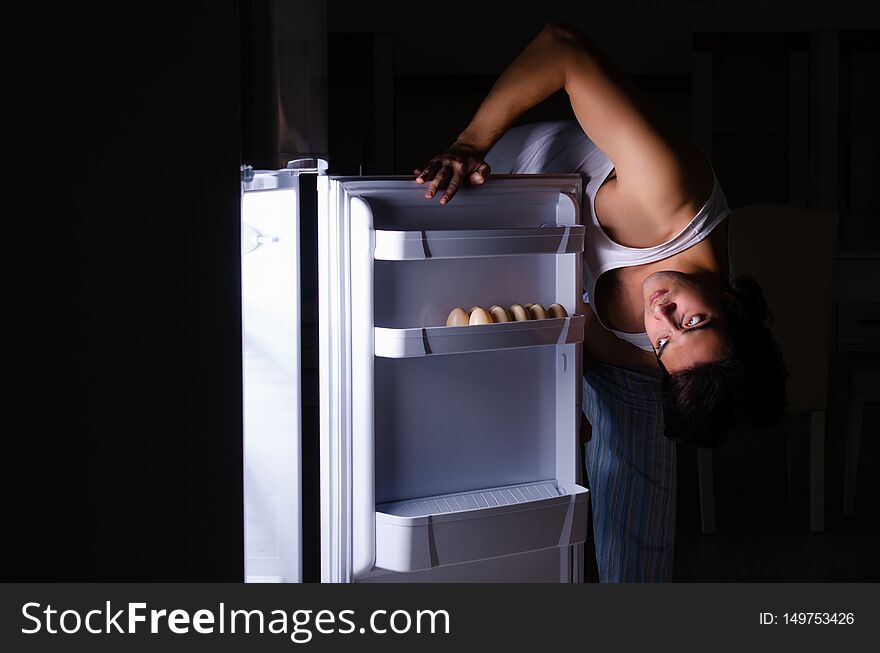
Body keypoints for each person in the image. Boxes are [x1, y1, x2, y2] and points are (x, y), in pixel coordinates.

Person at [413, 22, 788, 581]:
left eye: (665, 340)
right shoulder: (667, 195)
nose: (659, 314)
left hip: (556, 277)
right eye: (693, 319)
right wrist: (470, 144)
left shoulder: (651, 353)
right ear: (732, 305)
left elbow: (581, 332)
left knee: (629, 450)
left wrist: (567, 388)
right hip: (500, 189)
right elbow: (563, 47)